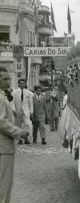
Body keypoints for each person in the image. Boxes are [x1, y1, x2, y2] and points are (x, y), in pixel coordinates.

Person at [0, 67, 29, 203]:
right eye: (4, 79)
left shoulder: (3, 95)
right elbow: (1, 122)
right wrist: (20, 132)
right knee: (4, 184)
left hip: (5, 146)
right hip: (3, 147)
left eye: (9, 78)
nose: (8, 82)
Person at [11, 78, 33, 144]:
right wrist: (14, 110)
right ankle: (20, 139)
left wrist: (31, 112)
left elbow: (31, 103)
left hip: (26, 112)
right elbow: (12, 102)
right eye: (21, 83)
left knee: (28, 125)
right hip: (17, 112)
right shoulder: (14, 92)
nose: (22, 84)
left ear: (25, 84)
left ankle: (26, 138)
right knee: (18, 126)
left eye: (23, 83)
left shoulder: (29, 93)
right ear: (18, 84)